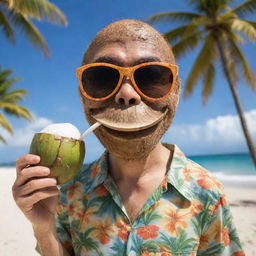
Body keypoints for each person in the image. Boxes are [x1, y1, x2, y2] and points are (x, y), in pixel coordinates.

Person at [12, 19, 245, 256]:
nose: (127, 93)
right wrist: (43, 228)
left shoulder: (205, 192)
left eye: (151, 76)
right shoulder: (70, 190)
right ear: (82, 94)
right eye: (102, 78)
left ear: (175, 91)